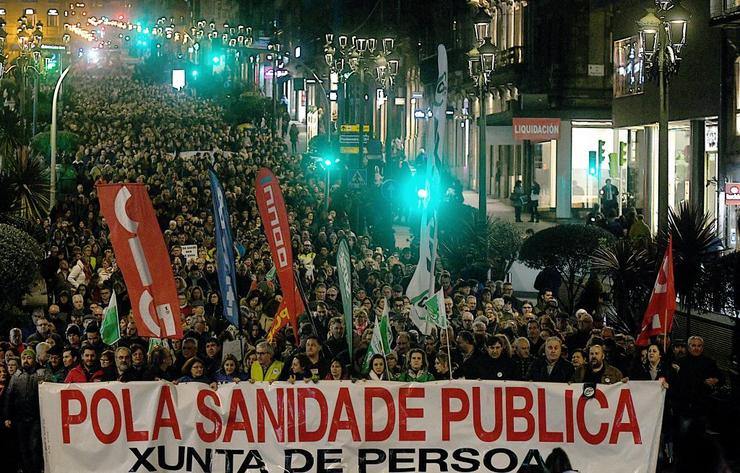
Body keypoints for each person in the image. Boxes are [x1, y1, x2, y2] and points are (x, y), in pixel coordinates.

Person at [2, 349, 45, 473]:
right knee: (23, 448)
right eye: (24, 358)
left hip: (36, 418)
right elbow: (9, 397)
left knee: (34, 447)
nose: (26, 360)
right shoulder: (16, 376)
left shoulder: (41, 373)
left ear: (34, 358)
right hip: (20, 419)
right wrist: (7, 416)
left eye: (29, 357)